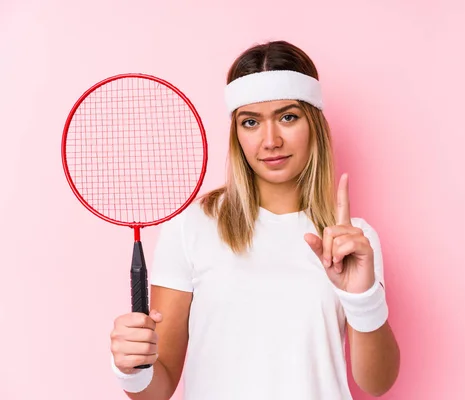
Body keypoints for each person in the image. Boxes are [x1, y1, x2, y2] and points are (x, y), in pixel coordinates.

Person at [109, 40, 400, 400]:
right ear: (237, 134)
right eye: (251, 122)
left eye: (288, 117)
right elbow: (157, 388)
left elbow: (378, 383)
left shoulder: (352, 240)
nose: (271, 140)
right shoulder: (192, 228)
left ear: (314, 124)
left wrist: (362, 299)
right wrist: (131, 368)